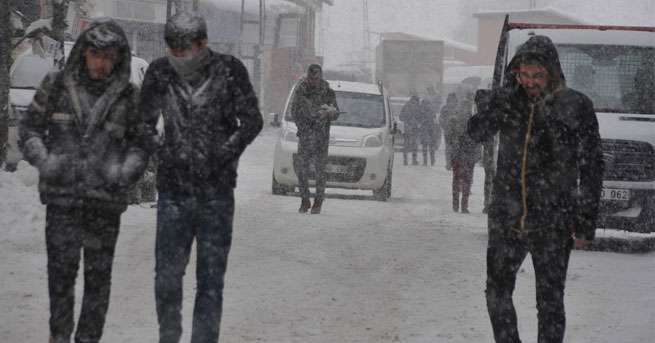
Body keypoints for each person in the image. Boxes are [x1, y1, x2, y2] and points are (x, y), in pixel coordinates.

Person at [18, 18, 149, 343]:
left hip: (103, 206)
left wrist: (123, 172)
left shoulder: (128, 97)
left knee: (97, 282)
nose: (101, 62)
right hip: (62, 201)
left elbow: (143, 145)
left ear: (118, 58)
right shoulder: (56, 86)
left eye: (108, 56)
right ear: (83, 53)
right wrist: (45, 161)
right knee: (60, 280)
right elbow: (29, 130)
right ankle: (59, 337)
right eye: (95, 54)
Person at [468, 35, 604, 343]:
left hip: (553, 221)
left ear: (552, 73)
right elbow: (476, 134)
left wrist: (585, 221)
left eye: (537, 76)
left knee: (550, 300)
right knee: (497, 292)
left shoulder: (576, 105)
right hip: (507, 218)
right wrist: (490, 105)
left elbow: (593, 166)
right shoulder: (508, 101)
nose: (529, 82)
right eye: (523, 75)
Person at [138, 12, 263, 343]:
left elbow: (251, 120)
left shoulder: (229, 71)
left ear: (203, 44)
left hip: (216, 194)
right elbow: (142, 123)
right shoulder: (160, 73)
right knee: (166, 277)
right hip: (173, 192)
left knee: (209, 280)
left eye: (186, 50)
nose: (179, 57)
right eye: (173, 50)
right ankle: (169, 335)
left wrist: (222, 155)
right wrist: (162, 151)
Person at [291, 64, 339, 214]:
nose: (313, 81)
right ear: (308, 76)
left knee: (320, 171)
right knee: (302, 171)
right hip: (305, 136)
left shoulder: (328, 92)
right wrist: (303, 126)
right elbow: (294, 111)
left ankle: (318, 202)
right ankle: (305, 200)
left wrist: (330, 113)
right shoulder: (301, 90)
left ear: (320, 76)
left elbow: (336, 112)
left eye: (316, 78)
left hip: (321, 137)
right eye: (311, 78)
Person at [441, 90, 480, 213]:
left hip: (458, 154)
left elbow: (448, 138)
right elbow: (478, 139)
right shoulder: (474, 121)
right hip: (468, 155)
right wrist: (478, 154)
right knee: (467, 181)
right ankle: (464, 206)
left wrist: (450, 155)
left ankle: (456, 205)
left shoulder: (454, 120)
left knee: (456, 179)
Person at [399, 95, 421, 165]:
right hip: (414, 128)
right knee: (414, 145)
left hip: (407, 128)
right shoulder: (417, 107)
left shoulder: (406, 106)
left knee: (406, 145)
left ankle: (405, 160)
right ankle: (413, 160)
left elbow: (401, 117)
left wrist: (407, 121)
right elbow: (421, 117)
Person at [439, 93, 458, 170]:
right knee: (451, 148)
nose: (452, 102)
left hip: (453, 131)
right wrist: (444, 126)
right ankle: (449, 163)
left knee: (452, 148)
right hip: (450, 131)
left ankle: (451, 163)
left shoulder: (446, 108)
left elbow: (441, 119)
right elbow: (441, 119)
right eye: (451, 100)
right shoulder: (446, 108)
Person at [417, 97, 437, 166]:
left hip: (430, 130)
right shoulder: (421, 111)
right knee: (425, 147)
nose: (425, 105)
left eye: (426, 104)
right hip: (425, 131)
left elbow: (434, 121)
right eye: (424, 104)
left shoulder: (431, 111)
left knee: (430, 147)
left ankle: (432, 160)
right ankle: (426, 161)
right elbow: (418, 120)